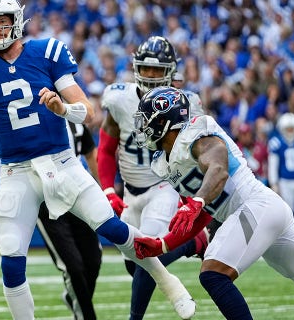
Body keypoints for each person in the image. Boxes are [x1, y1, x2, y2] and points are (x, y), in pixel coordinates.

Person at [0, 2, 195, 319]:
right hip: (16, 172)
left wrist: (63, 110)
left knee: (113, 228)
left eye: (3, 22)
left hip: (62, 162)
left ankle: (170, 284)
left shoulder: (47, 51)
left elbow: (87, 111)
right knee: (11, 261)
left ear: (16, 22)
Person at [131, 86, 294, 319]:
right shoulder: (165, 162)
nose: (142, 129)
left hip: (254, 205)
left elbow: (218, 169)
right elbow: (200, 215)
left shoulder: (196, 134)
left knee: (213, 274)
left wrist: (197, 201)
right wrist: (164, 244)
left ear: (164, 120)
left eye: (146, 121)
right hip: (258, 213)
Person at [98, 36, 208, 320]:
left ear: (171, 71)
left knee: (146, 252)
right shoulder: (120, 98)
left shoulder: (187, 102)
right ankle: (194, 242)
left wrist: (189, 197)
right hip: (130, 194)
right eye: (145, 69)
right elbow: (107, 148)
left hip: (164, 185)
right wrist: (109, 189)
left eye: (157, 70)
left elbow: (198, 153)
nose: (150, 75)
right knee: (135, 266)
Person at [36, 121, 102, 320]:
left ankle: (72, 297)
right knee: (72, 266)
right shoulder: (31, 124)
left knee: (93, 261)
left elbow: (91, 153)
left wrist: (100, 188)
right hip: (46, 200)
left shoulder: (76, 124)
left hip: (77, 196)